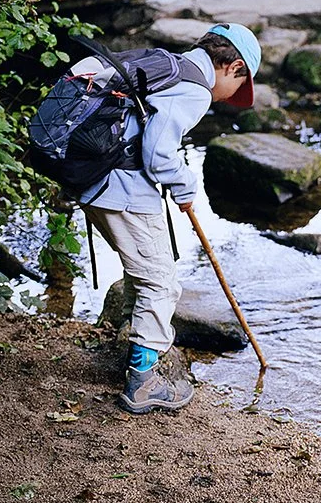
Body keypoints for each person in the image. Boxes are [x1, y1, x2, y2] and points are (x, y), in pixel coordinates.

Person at [78, 23, 261, 414]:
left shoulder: (167, 65)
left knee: (143, 271)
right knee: (161, 283)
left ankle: (127, 346)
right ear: (234, 68)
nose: (228, 99)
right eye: (238, 88)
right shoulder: (194, 88)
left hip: (92, 177)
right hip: (121, 188)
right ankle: (142, 382)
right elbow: (159, 153)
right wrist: (185, 185)